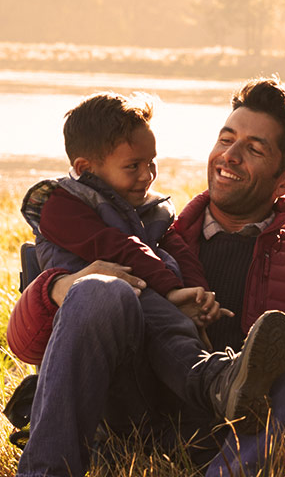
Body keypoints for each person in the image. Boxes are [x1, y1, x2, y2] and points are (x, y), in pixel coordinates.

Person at [7, 77, 285, 477]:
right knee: (100, 289)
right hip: (137, 411)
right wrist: (61, 286)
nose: (229, 156)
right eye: (226, 139)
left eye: (254, 149)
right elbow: (25, 345)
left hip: (239, 431)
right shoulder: (155, 232)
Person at [20, 91, 222, 326]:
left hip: (143, 296)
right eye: (133, 166)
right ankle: (209, 365)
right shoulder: (60, 206)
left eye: (151, 162)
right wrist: (170, 291)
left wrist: (200, 297)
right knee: (166, 320)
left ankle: (215, 361)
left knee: (172, 322)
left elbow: (182, 254)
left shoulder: (150, 208)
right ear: (86, 168)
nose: (147, 175)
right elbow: (116, 246)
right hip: (88, 317)